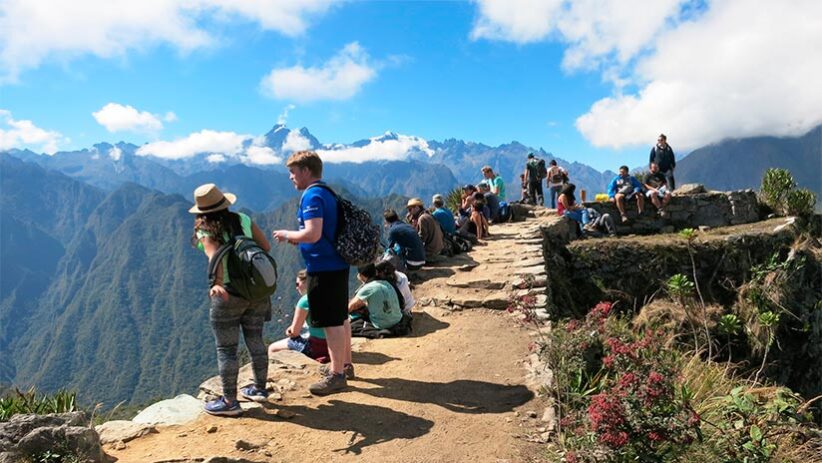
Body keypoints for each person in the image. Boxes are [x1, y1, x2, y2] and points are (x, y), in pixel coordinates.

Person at [272, 150, 353, 396]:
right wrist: (303, 240)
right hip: (337, 264)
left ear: (306, 171)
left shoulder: (313, 196)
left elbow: (313, 233)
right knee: (338, 318)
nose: (290, 177)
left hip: (323, 267)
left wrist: (287, 235)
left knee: (330, 322)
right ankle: (344, 366)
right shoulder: (327, 192)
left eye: (293, 172)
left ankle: (337, 375)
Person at [190, 184, 272, 416]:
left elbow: (213, 256)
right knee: (256, 340)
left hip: (228, 294)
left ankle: (229, 402)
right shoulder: (243, 219)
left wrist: (215, 283)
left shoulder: (206, 229)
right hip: (256, 291)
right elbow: (265, 246)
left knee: (226, 349)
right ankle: (259, 388)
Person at [267, 270, 329, 363]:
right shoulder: (329, 295)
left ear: (307, 282)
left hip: (315, 348)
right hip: (334, 345)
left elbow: (294, 332)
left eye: (297, 284)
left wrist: (288, 331)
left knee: (272, 348)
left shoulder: (305, 301)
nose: (296, 288)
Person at [349, 263, 403, 331]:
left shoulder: (367, 288)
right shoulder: (386, 282)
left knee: (354, 314)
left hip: (381, 325)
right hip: (397, 319)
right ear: (376, 272)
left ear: (360, 276)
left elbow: (350, 307)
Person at [406, 198, 444, 263]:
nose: (409, 212)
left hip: (431, 252)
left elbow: (421, 239)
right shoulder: (428, 214)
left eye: (410, 209)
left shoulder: (422, 218)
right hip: (438, 249)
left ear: (417, 207)